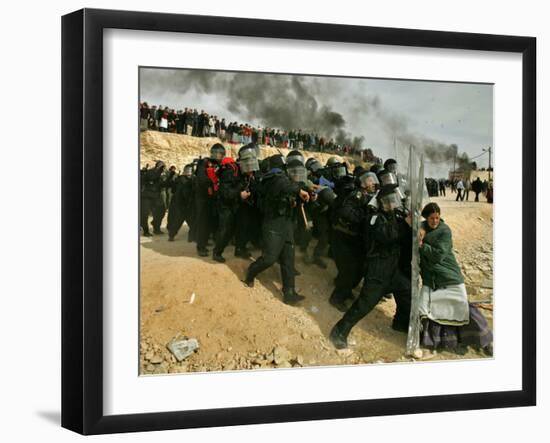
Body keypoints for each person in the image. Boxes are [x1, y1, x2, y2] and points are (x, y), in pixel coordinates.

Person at [329, 185, 412, 349]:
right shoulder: (374, 218)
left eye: (394, 200)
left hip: (393, 269)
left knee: (406, 292)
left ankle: (400, 323)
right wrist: (405, 225)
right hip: (378, 270)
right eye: (389, 201)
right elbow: (387, 236)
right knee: (364, 305)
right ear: (382, 203)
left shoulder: (394, 216)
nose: (393, 204)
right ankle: (339, 331)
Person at [418, 203, 493, 355]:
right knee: (426, 309)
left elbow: (439, 255)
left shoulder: (445, 231)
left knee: (461, 307)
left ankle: (485, 341)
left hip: (449, 276)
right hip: (431, 279)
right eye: (431, 218)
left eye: (437, 217)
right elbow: (413, 226)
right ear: (426, 218)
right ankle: (439, 341)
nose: (435, 221)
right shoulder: (421, 227)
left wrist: (421, 245)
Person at [243, 155, 310, 305]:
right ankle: (251, 273)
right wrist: (299, 191)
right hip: (273, 225)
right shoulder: (273, 179)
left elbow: (289, 192)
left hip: (286, 224)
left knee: (288, 259)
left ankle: (289, 292)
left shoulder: (284, 180)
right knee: (269, 258)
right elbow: (284, 186)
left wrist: (303, 194)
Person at [194, 143, 225, 256]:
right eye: (215, 152)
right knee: (203, 221)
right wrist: (214, 181)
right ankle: (200, 246)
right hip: (202, 197)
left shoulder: (220, 165)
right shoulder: (205, 162)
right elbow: (201, 178)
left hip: (212, 197)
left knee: (210, 220)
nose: (217, 155)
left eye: (219, 153)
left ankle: (205, 241)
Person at [167, 164, 195, 242]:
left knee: (188, 222)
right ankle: (173, 235)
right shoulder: (184, 180)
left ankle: (172, 235)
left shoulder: (179, 179)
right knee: (182, 221)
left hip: (181, 204)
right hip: (183, 204)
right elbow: (186, 193)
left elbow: (173, 190)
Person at [140, 160, 166, 236]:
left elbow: (161, 184)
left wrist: (171, 181)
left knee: (161, 211)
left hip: (156, 195)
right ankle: (146, 231)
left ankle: (156, 227)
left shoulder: (161, 173)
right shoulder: (150, 172)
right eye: (162, 166)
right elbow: (152, 178)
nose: (163, 168)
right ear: (157, 166)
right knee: (144, 214)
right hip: (146, 196)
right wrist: (159, 171)